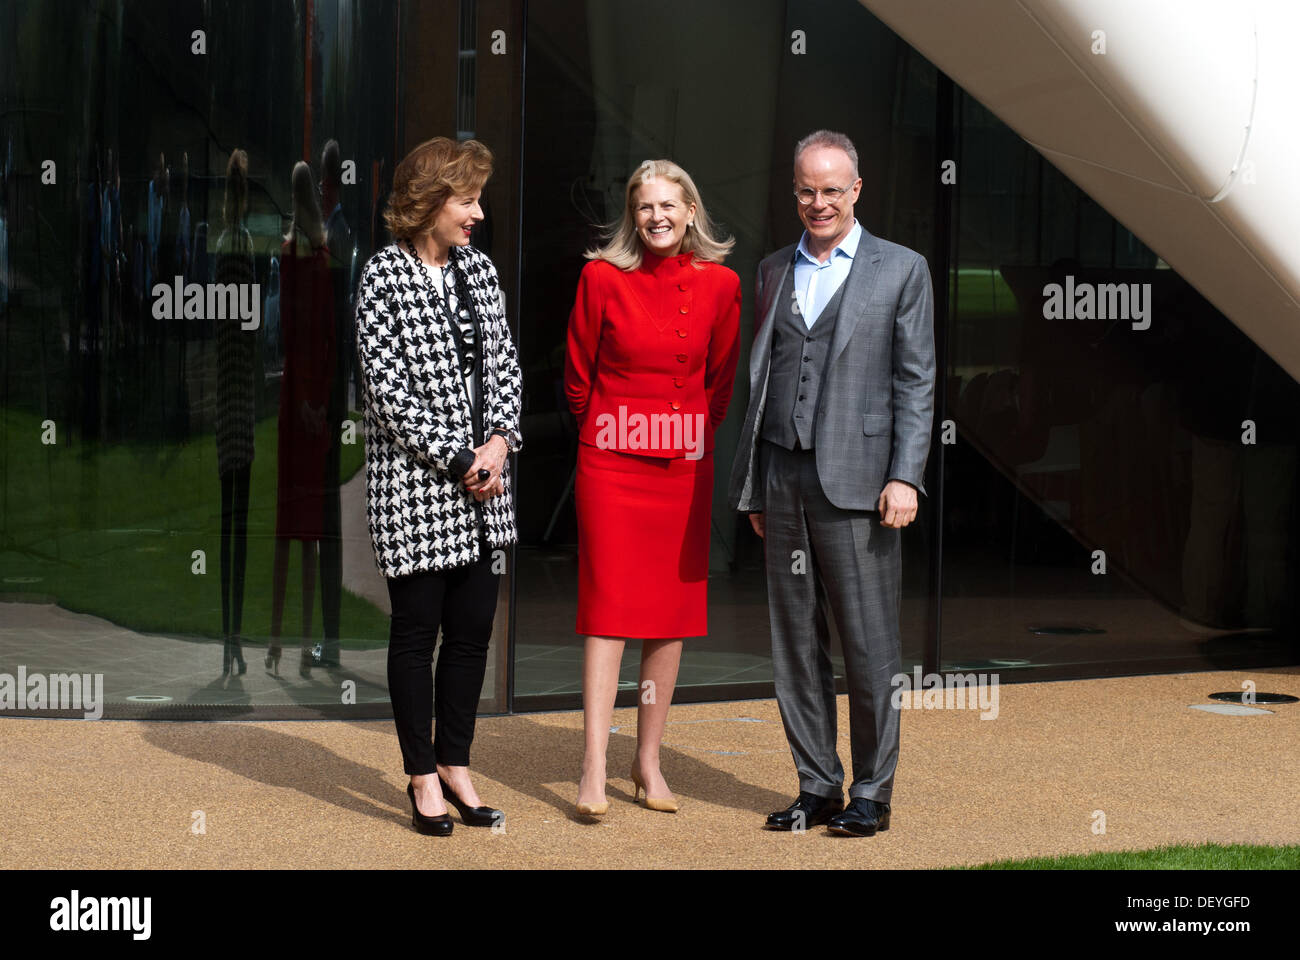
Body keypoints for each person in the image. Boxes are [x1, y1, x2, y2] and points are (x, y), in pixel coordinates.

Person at [727, 130, 935, 837]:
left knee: (869, 644)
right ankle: (816, 784)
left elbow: (917, 381)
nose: (819, 202)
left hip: (861, 485)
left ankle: (872, 793)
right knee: (794, 642)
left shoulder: (902, 269)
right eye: (807, 190)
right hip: (783, 478)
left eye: (832, 190)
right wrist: (755, 485)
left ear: (857, 190)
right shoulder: (771, 271)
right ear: (796, 192)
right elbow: (762, 386)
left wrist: (905, 474)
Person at [355, 137, 523, 836]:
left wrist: (501, 443)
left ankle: (457, 763)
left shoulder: (480, 273)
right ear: (430, 203)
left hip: (487, 491)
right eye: (468, 199)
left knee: (472, 635)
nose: (478, 212)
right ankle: (420, 775)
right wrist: (460, 459)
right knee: (416, 634)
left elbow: (507, 366)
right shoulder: (381, 278)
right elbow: (386, 393)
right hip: (418, 491)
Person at [565, 159, 741, 817]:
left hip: (682, 469)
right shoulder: (601, 277)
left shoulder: (722, 285)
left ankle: (647, 762)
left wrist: (682, 433)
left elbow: (720, 384)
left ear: (691, 210)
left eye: (670, 205)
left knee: (668, 620)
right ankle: (592, 766)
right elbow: (577, 376)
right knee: (608, 614)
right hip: (610, 465)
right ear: (631, 216)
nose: (658, 217)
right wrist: (613, 432)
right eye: (646, 207)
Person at [268, 161, 335, 677]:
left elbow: (298, 334)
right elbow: (321, 336)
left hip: (298, 396)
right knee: (305, 528)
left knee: (292, 526)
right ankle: (304, 635)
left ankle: (278, 636)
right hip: (307, 396)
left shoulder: (293, 255)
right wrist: (317, 402)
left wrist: (306, 399)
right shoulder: (314, 256)